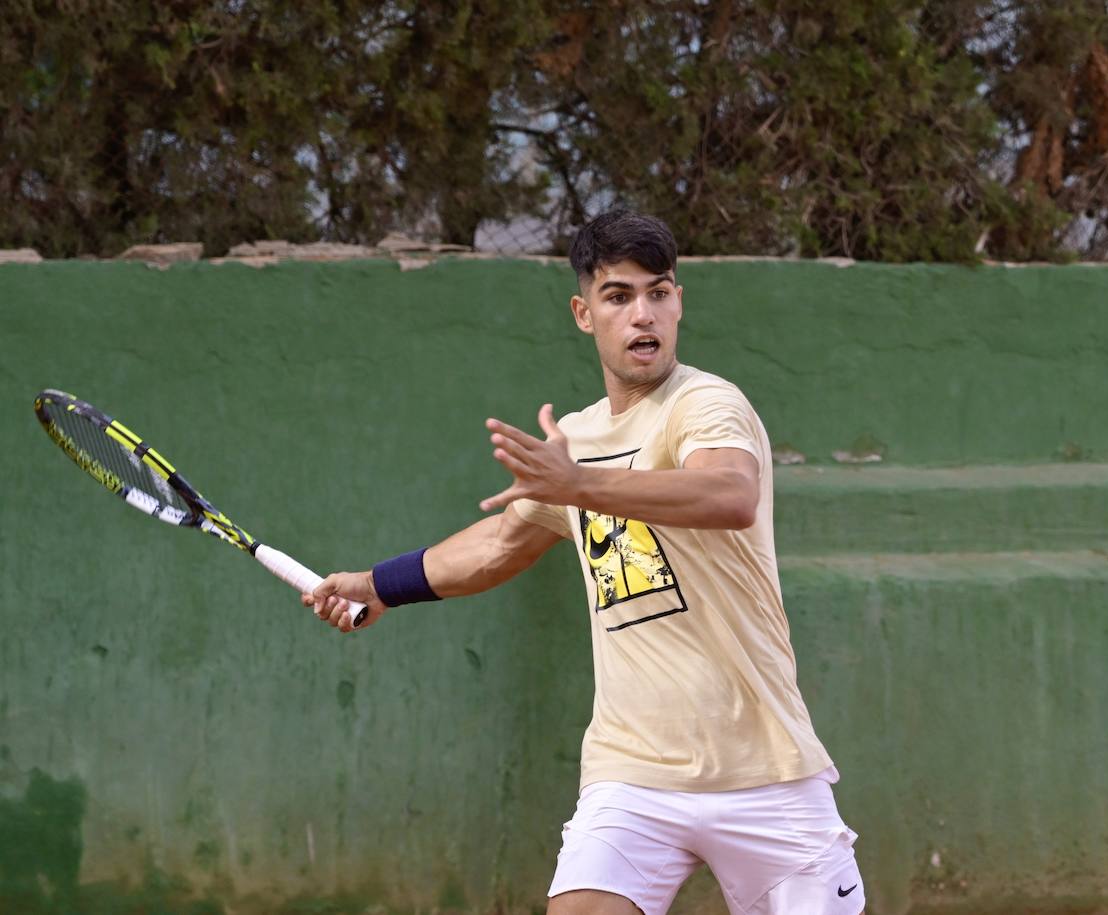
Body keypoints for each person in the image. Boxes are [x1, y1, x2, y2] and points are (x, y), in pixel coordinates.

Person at [304, 209, 865, 915]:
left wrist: (581, 486)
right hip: (632, 770)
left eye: (659, 292)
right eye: (619, 295)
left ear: (679, 301)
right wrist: (379, 585)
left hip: (764, 771)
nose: (643, 315)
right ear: (583, 312)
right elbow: (499, 546)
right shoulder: (576, 438)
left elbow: (731, 492)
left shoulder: (704, 403)